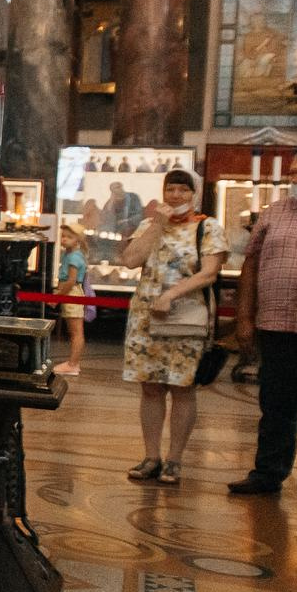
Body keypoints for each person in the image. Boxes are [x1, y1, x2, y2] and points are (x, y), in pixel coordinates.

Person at [227, 145, 297, 508]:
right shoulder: (275, 213)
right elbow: (250, 266)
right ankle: (267, 474)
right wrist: (244, 318)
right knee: (276, 406)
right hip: (277, 325)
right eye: (294, 173)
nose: (296, 179)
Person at [119, 168, 223, 485]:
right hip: (147, 317)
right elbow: (131, 260)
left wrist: (171, 294)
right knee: (150, 387)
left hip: (185, 316)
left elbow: (209, 273)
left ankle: (175, 459)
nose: (175, 196)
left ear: (194, 194)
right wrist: (158, 225)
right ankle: (152, 456)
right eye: (170, 189)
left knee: (181, 387)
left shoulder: (208, 227)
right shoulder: (149, 225)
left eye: (182, 190)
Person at [53, 222, 89, 376]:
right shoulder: (69, 254)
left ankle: (73, 364)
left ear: (78, 240)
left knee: (76, 331)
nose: (64, 239)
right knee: (74, 330)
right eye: (63, 236)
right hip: (69, 292)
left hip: (71, 293)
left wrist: (57, 296)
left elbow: (71, 280)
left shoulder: (74, 256)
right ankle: (73, 362)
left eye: (69, 237)